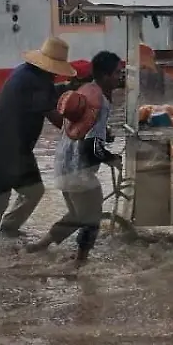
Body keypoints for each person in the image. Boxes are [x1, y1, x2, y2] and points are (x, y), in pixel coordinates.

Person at [0, 37, 75, 252]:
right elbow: (55, 117)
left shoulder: (26, 72)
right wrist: (80, 128)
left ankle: (8, 228)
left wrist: (69, 90)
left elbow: (51, 95)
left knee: (34, 190)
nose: (55, 75)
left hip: (17, 146)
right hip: (3, 145)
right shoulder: (36, 82)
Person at [27, 51, 123, 263]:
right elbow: (92, 149)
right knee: (91, 217)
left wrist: (103, 134)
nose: (120, 76)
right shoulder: (101, 103)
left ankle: (41, 246)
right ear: (106, 76)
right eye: (117, 73)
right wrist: (112, 158)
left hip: (62, 166)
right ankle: (80, 262)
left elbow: (82, 130)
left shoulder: (85, 91)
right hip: (79, 172)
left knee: (77, 215)